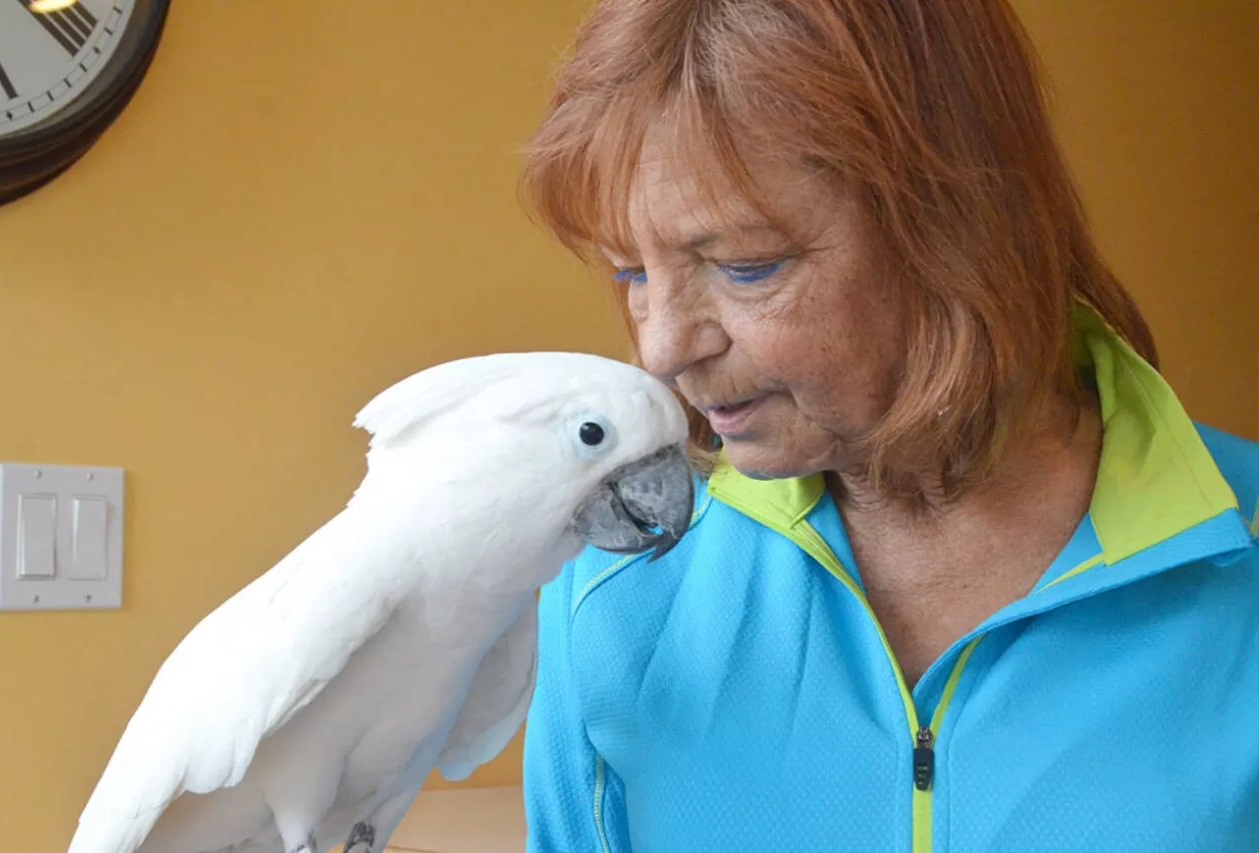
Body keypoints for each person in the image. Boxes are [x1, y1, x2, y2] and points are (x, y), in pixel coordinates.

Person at [515, 1, 1259, 850]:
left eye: (746, 266)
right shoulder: (610, 592)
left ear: (961, 224)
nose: (662, 348)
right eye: (631, 272)